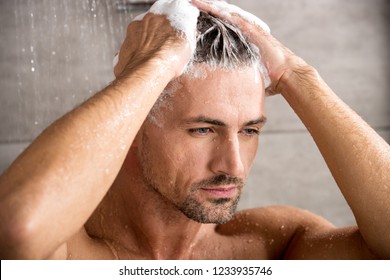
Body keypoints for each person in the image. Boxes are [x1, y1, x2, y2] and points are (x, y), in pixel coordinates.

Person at [0, 0, 389, 260]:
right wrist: (154, 65)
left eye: (250, 131)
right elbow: (17, 229)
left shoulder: (273, 245)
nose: (233, 165)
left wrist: (296, 75)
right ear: (135, 125)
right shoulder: (71, 251)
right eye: (203, 130)